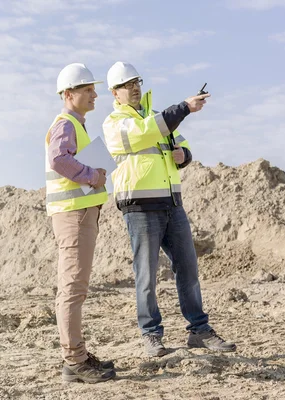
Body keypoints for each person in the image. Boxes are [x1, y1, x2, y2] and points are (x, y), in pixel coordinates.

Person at [102, 61, 236, 357]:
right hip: (139, 206)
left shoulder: (157, 117)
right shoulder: (116, 123)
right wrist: (184, 107)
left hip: (172, 203)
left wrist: (182, 155)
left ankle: (199, 331)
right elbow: (146, 133)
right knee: (147, 276)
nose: (135, 87)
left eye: (137, 82)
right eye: (128, 84)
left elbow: (184, 147)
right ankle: (151, 335)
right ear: (115, 92)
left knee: (188, 270)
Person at [45, 63, 116, 383]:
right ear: (69, 94)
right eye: (88, 90)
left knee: (76, 288)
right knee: (73, 289)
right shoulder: (66, 124)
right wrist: (92, 175)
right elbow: (58, 159)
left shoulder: (75, 124)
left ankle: (78, 355)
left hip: (81, 213)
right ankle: (74, 361)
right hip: (73, 216)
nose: (94, 95)